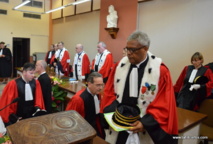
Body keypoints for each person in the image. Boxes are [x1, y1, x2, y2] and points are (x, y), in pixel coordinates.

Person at [100, 31, 178, 144]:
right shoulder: (119, 66)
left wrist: (145, 123)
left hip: (144, 126)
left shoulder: (160, 71)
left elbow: (164, 102)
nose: (129, 53)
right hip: (120, 123)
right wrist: (114, 113)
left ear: (145, 49)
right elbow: (109, 93)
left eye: (133, 50)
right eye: (127, 49)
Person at [65, 72, 105, 139]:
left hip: (95, 127)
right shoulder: (78, 99)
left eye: (102, 85)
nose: (100, 88)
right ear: (89, 84)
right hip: (82, 132)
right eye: (98, 85)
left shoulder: (97, 94)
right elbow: (69, 120)